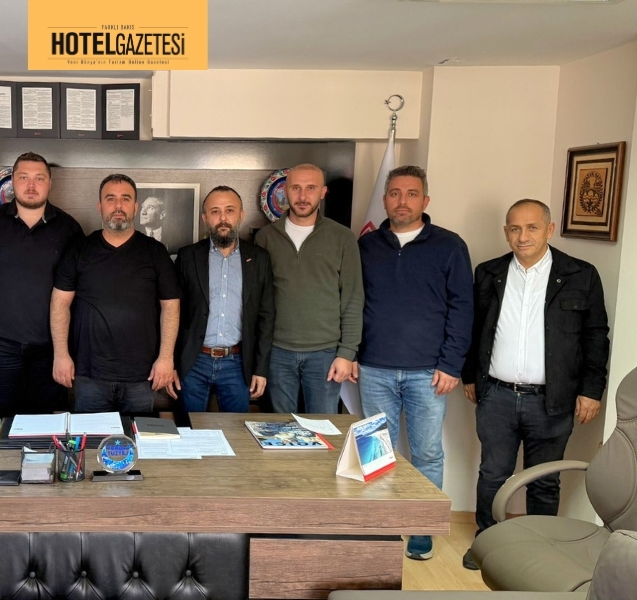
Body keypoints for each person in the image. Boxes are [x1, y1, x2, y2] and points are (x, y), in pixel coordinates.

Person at [460, 199, 609, 570]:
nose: (522, 236)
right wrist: (469, 376)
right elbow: (474, 329)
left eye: (531, 228)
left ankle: (542, 552)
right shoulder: (489, 272)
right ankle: (488, 544)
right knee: (493, 474)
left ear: (549, 230)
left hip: (552, 400)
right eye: (514, 228)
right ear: (506, 232)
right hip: (497, 395)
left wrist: (592, 390)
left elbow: (596, 336)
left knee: (544, 480)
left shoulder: (580, 274)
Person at [357, 165, 473, 562]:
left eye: (411, 194)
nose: (401, 201)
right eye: (394, 193)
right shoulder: (367, 246)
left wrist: (452, 365)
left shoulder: (449, 246)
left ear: (425, 200)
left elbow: (462, 308)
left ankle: (422, 527)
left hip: (429, 372)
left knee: (427, 453)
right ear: (385, 199)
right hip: (374, 367)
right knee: (376, 449)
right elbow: (353, 303)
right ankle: (383, 523)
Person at [51, 174, 181, 413]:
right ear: (100, 206)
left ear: (135, 207)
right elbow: (60, 303)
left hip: (141, 375)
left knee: (139, 435)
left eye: (125, 199)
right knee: (89, 437)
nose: (118, 206)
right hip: (89, 374)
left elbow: (171, 307)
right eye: (111, 199)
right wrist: (61, 355)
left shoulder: (155, 252)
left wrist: (166, 358)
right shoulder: (79, 250)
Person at [0, 152, 84, 417]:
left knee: (44, 422)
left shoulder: (69, 229)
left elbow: (77, 294)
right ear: (13, 181)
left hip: (49, 348)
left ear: (50, 183)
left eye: (39, 178)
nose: (31, 185)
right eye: (23, 178)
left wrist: (66, 350)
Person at [255, 164, 363, 414]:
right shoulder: (265, 237)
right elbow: (257, 300)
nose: (303, 196)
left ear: (323, 192)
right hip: (277, 352)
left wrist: (347, 353)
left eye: (311, 188)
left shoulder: (343, 238)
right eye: (296, 188)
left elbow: (353, 299)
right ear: (285, 191)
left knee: (323, 427)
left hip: (325, 353)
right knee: (280, 428)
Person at [173, 186, 275, 412]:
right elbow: (174, 313)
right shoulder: (188, 256)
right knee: (188, 429)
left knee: (235, 429)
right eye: (215, 211)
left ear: (241, 215)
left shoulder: (259, 258)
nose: (222, 218)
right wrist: (171, 363)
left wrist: (260, 369)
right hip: (194, 362)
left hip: (238, 364)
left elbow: (266, 317)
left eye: (229, 210)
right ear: (205, 218)